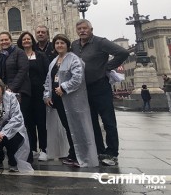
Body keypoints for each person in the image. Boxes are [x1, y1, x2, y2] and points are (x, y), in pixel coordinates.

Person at [71, 19, 129, 167]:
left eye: (85, 28)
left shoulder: (100, 42)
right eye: (80, 29)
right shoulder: (75, 45)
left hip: (100, 86)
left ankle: (112, 153)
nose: (82, 31)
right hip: (84, 89)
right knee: (91, 122)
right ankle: (99, 151)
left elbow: (122, 52)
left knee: (108, 120)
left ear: (91, 29)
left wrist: (106, 67)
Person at [44, 34, 98, 168]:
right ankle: (73, 153)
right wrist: (47, 95)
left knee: (76, 126)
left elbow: (77, 78)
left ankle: (81, 155)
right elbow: (48, 79)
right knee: (68, 127)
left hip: (71, 100)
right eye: (57, 43)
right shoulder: (54, 61)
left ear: (67, 45)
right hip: (58, 100)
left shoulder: (74, 59)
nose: (59, 45)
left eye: (62, 43)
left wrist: (63, 87)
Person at [0, 76, 33, 173]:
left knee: (13, 140)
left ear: (2, 88)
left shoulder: (11, 97)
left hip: (12, 131)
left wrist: (3, 133)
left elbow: (17, 118)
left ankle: (12, 159)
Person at [0, 31, 32, 157]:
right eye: (2, 40)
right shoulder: (0, 56)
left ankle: (27, 154)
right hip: (6, 94)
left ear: (11, 40)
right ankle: (13, 154)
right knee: (9, 124)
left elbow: (23, 70)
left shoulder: (18, 52)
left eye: (6, 39)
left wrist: (12, 88)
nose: (4, 42)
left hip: (20, 93)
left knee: (22, 122)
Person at [17, 31, 49, 161]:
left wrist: (47, 91)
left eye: (28, 39)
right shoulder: (18, 56)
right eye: (24, 39)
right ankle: (32, 148)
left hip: (38, 92)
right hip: (25, 93)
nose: (26, 41)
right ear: (21, 42)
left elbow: (47, 74)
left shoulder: (40, 56)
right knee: (28, 122)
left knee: (41, 121)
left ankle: (44, 149)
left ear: (32, 41)